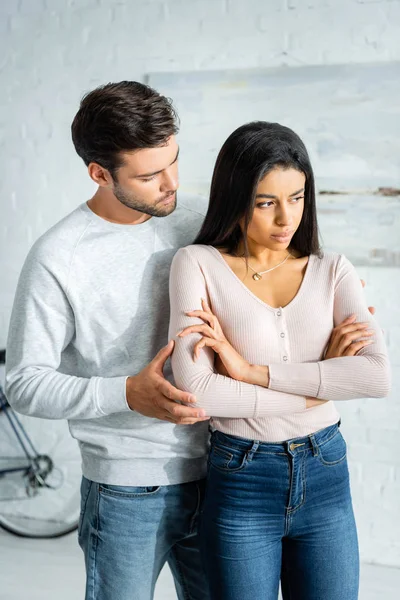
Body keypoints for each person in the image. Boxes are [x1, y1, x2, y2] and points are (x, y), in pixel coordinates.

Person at [5, 81, 211, 600]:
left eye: (174, 161)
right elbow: (25, 383)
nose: (171, 184)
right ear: (100, 173)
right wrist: (124, 393)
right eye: (148, 175)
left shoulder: (200, 221)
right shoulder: (58, 255)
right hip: (126, 489)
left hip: (226, 469)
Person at [168, 121, 391, 600]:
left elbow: (375, 376)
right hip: (242, 476)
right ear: (235, 197)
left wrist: (252, 374)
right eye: (267, 202)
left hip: (325, 468)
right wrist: (323, 385)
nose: (285, 218)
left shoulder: (333, 270)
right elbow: (200, 391)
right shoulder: (197, 264)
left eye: (297, 197)